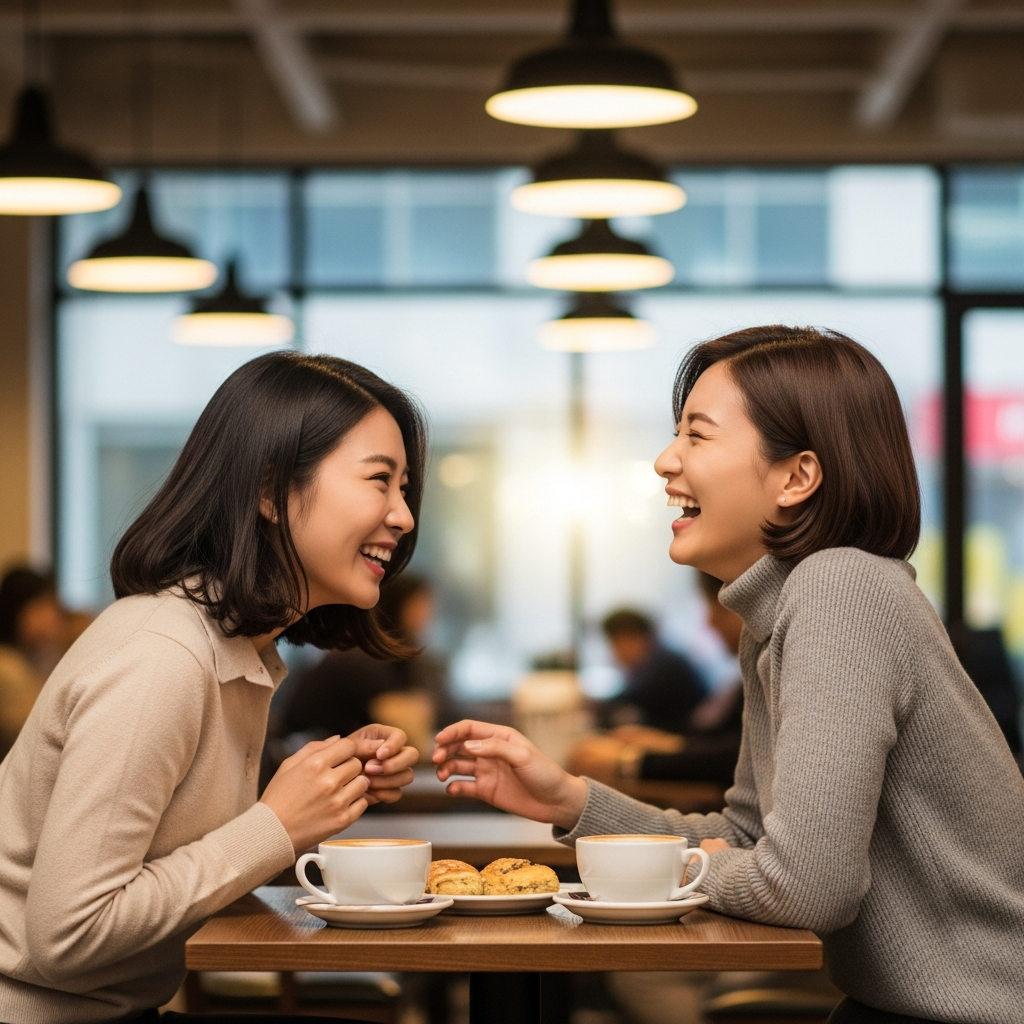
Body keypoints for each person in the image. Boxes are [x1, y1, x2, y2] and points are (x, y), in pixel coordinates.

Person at [433, 326, 1024, 1024]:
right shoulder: (782, 610)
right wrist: (570, 801)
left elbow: (806, 888)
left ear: (797, 477)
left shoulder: (840, 591)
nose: (663, 461)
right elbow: (746, 842)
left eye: (697, 435)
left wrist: (692, 867)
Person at [0, 352, 425, 1024]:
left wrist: (324, 789)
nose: (402, 517)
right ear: (268, 490)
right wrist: (276, 824)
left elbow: (174, 879)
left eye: (404, 489)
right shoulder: (161, 657)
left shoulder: (232, 652)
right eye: (380, 481)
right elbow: (68, 937)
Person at [276, 573, 452, 763]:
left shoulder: (399, 659)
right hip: (299, 763)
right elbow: (406, 725)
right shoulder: (358, 658)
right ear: (399, 605)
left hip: (332, 762)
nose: (428, 615)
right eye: (420, 605)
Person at [0, 568, 90, 759]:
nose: (51, 617)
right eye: (40, 607)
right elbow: (39, 732)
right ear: (16, 609)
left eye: (52, 607)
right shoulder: (7, 666)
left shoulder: (41, 657)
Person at [597, 608, 706, 734]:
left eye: (615, 643)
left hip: (688, 741)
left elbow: (632, 699)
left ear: (632, 637)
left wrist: (594, 709)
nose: (614, 652)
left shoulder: (666, 665)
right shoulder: (659, 659)